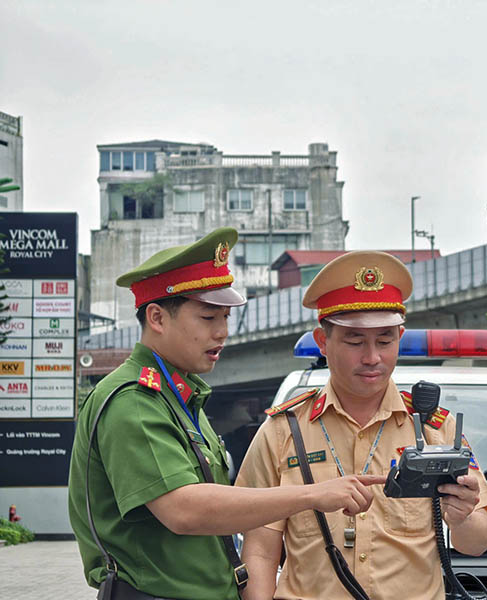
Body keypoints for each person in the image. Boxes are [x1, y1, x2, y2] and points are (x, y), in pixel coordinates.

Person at [68, 229, 385, 600]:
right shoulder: (135, 401)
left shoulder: (180, 398)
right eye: (207, 318)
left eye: (225, 317)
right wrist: (313, 494)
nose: (222, 333)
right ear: (156, 317)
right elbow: (185, 510)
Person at [236, 251, 487, 600]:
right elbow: (260, 551)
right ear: (323, 342)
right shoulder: (283, 431)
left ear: (400, 338)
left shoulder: (437, 429)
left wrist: (462, 517)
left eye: (385, 341)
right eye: (355, 341)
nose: (372, 357)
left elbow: (477, 543)